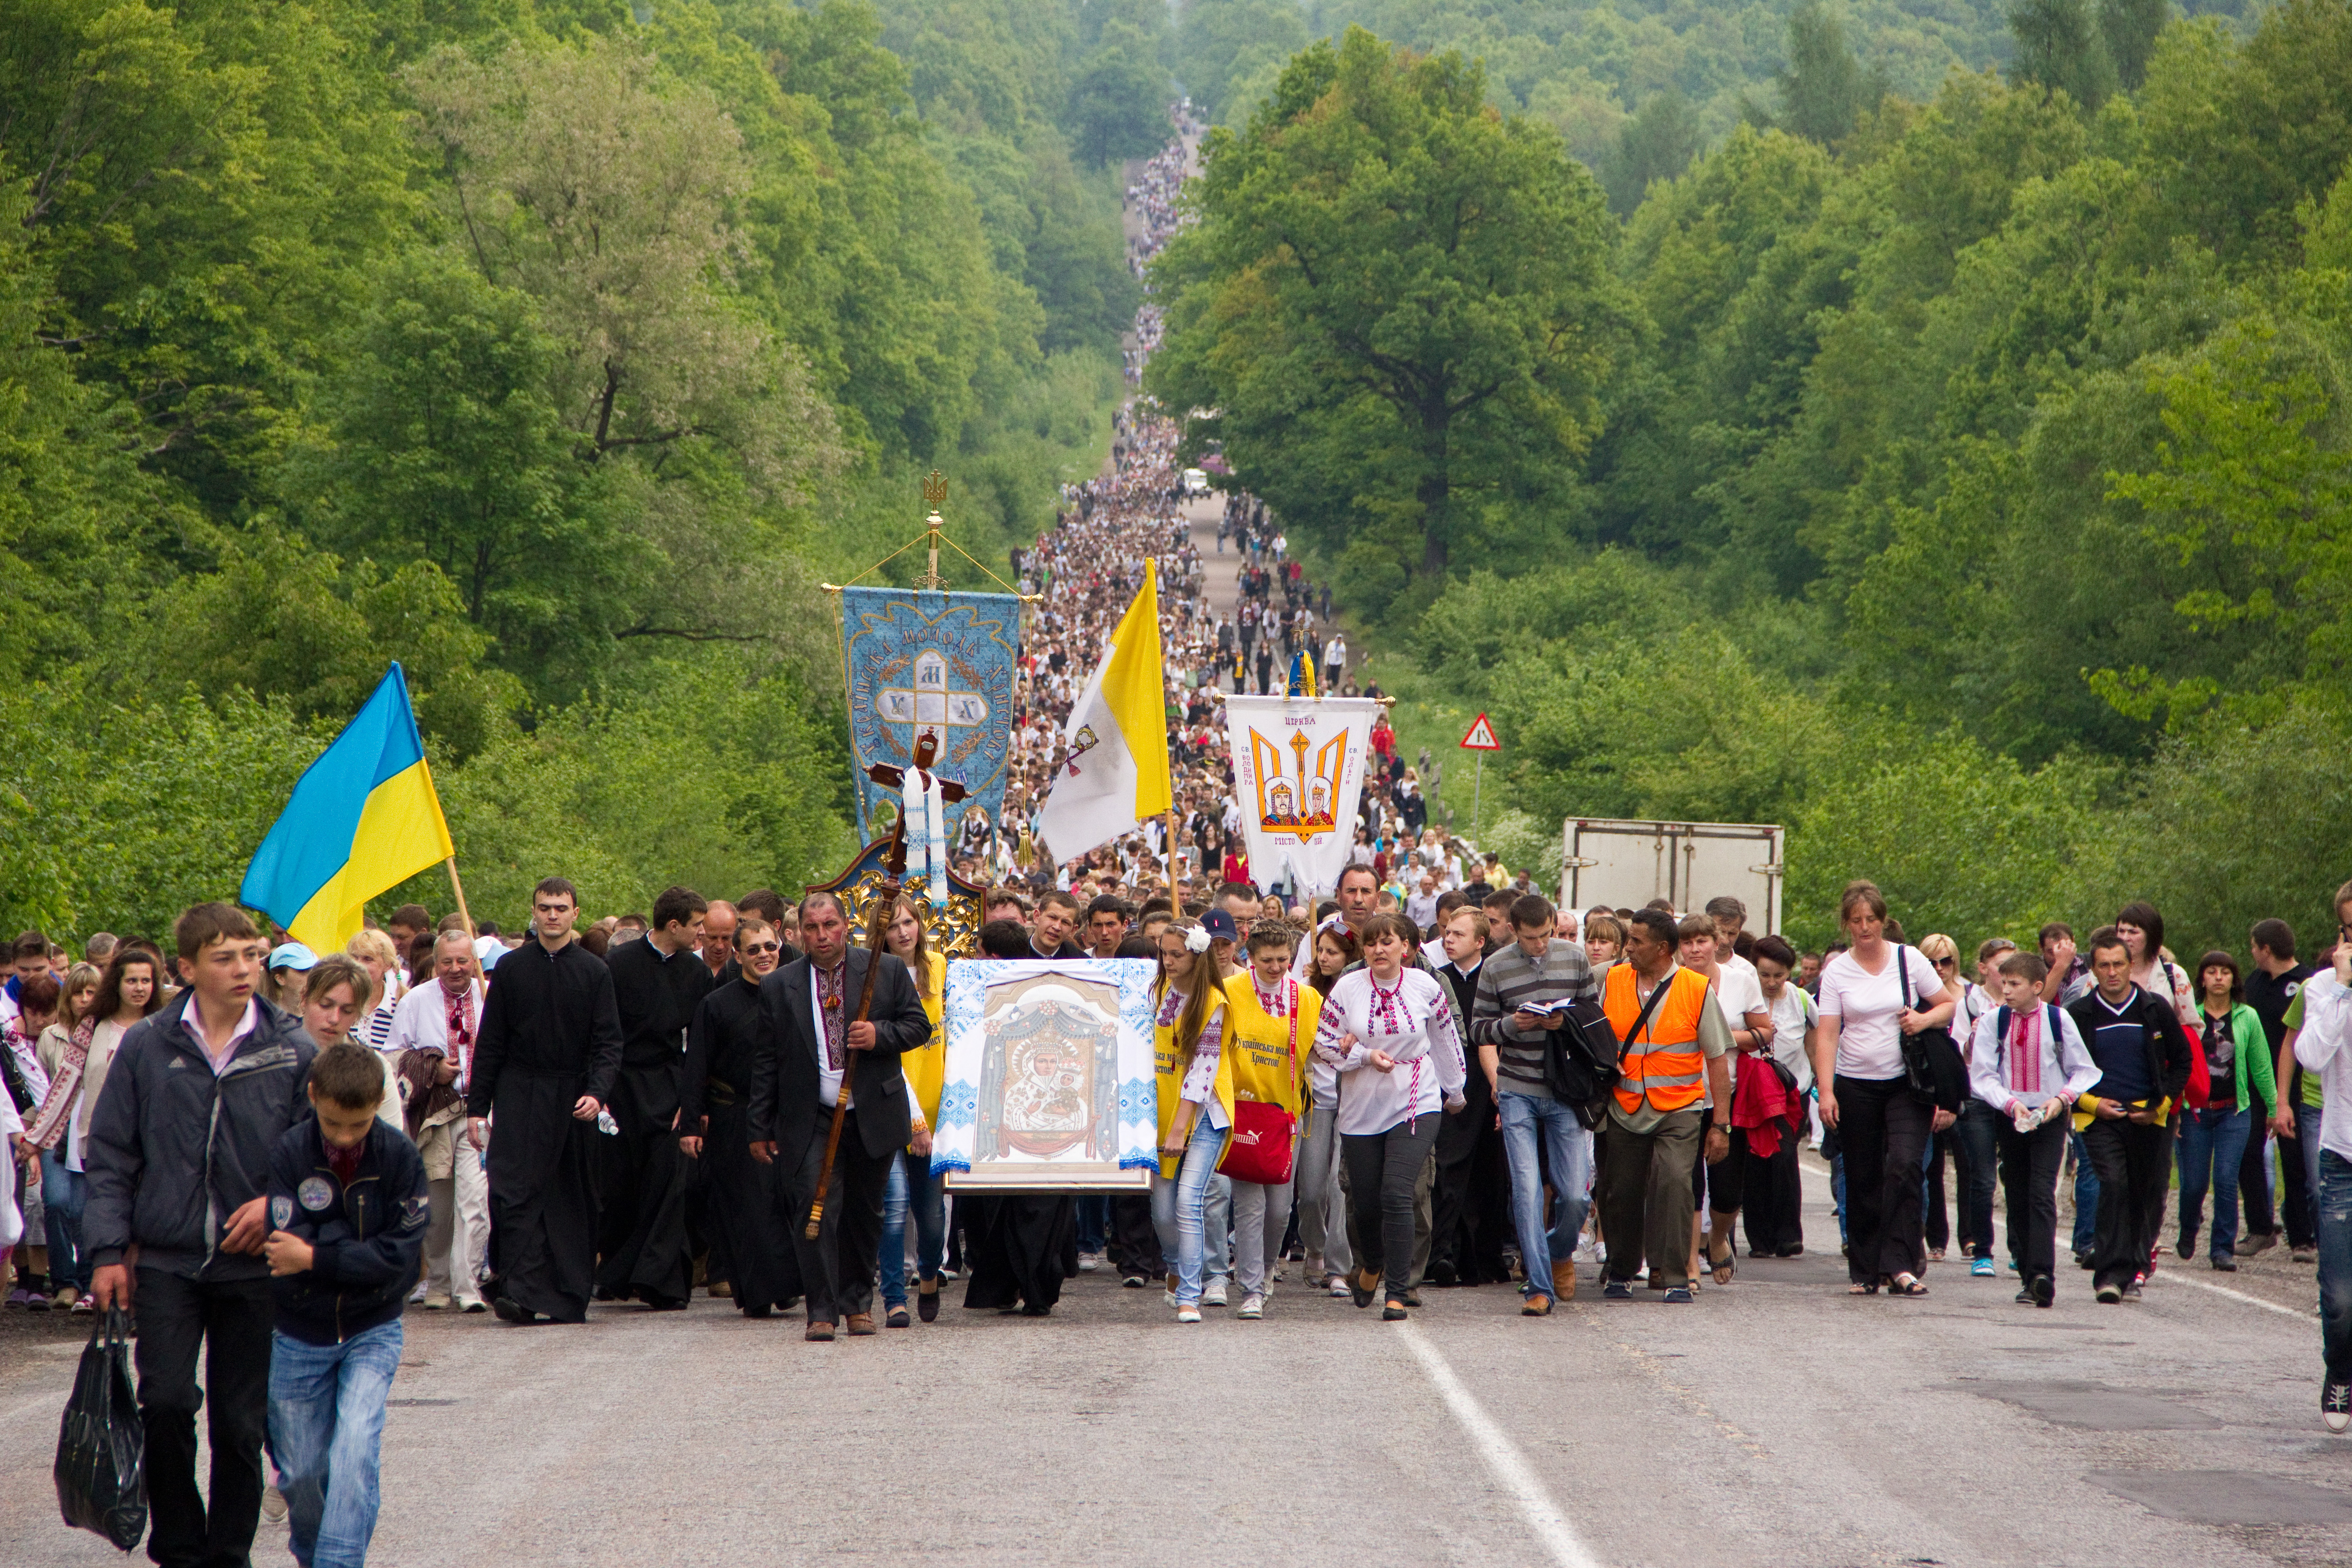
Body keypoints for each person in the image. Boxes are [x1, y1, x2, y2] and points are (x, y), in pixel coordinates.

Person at [83, 902, 318, 1568]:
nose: (245, 968)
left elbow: (318, 1163)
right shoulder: (148, 1046)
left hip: (254, 1266)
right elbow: (111, 1155)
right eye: (225, 958)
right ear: (185, 969)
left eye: (252, 955)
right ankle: (181, 1548)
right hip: (165, 1259)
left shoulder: (290, 1046)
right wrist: (106, 1252)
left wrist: (278, 1205)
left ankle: (228, 1554)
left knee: (241, 1423)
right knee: (165, 1402)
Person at [261, 1041, 429, 1568]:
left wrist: (315, 1255)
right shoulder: (290, 1151)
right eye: (333, 1123)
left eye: (358, 1125)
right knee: (302, 1471)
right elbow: (281, 1243)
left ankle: (339, 1562)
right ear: (313, 1097)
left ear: (380, 1102)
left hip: (372, 1328)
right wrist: (348, 1254)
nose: (344, 1136)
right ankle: (313, 1553)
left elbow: (399, 1260)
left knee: (355, 1450)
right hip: (298, 1331)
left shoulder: (400, 1156)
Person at [747, 891, 931, 1341]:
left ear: (845, 927)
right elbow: (767, 1059)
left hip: (871, 1111)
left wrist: (878, 1034)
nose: (821, 936)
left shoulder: (882, 971)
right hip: (809, 1116)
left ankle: (857, 1304)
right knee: (815, 1207)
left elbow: (918, 1026)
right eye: (812, 929)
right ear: (799, 933)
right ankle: (822, 1310)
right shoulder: (780, 984)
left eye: (829, 926)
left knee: (863, 1213)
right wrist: (759, 1125)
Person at [465, 878, 624, 1326]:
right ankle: (517, 1288)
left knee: (570, 1196)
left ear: (576, 914)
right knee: (513, 1191)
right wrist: (479, 1108)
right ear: (533, 913)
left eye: (560, 908)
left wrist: (597, 1091)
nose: (552, 915)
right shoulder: (512, 969)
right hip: (519, 1093)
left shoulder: (595, 972)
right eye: (544, 908)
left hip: (573, 1096)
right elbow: (491, 1043)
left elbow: (609, 1043)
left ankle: (565, 1293)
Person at [1311, 912, 1468, 1320]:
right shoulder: (1347, 988)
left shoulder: (1425, 986)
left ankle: (1397, 1292)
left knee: (1398, 1192)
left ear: (1407, 948)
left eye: (1387, 942)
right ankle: (1373, 1262)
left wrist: (1456, 1090)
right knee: (1365, 1201)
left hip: (1416, 1098)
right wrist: (1362, 1054)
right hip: (1362, 1106)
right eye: (1371, 944)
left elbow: (1444, 1037)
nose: (1378, 950)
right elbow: (1323, 1043)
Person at [1812, 882, 1957, 1297]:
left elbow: (1947, 1004)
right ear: (1846, 925)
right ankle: (1865, 1268)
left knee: (1907, 1166)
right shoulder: (1837, 971)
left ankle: (1901, 1264)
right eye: (1856, 921)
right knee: (1862, 1176)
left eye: (1871, 920)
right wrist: (1826, 1091)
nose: (1864, 928)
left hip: (1905, 1084)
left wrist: (1923, 1021)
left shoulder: (1908, 959)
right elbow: (1827, 1034)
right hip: (1856, 1083)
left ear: (1883, 920)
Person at [1470, 895, 1597, 1314]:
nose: (1541, 945)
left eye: (1546, 936)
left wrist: (1566, 1021)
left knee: (1575, 1196)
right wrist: (1513, 1024)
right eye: (1531, 939)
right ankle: (1538, 1287)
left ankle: (1558, 1252)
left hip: (1564, 1089)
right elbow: (1478, 1029)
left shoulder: (1575, 959)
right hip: (1516, 1088)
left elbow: (1593, 1015)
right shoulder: (1496, 965)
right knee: (1526, 1191)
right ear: (1513, 931)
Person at [957, 918, 1083, 1314]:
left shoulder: (1070, 971)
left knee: (1045, 1210)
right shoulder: (982, 992)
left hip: (1055, 1139)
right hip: (1008, 1125)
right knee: (1005, 1211)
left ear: (991, 956)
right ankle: (1011, 1285)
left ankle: (1038, 1285)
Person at [597, 885, 713, 1310]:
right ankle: (617, 1273)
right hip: (623, 1086)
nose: (702, 936)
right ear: (674, 925)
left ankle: (658, 1279)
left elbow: (699, 1044)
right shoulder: (618, 965)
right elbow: (604, 1033)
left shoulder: (697, 974)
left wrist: (692, 1098)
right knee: (624, 1185)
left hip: (671, 1087)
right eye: (698, 927)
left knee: (670, 1185)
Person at [681, 915, 801, 1318]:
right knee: (745, 1208)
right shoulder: (717, 1004)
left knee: (784, 1202)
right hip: (734, 1116)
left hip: (788, 1114)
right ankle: (757, 1291)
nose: (763, 956)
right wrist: (690, 1124)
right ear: (737, 955)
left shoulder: (794, 995)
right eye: (753, 950)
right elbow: (697, 1066)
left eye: (770, 948)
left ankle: (788, 1283)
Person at [2066, 930, 2195, 1303]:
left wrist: (2163, 1106)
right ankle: (2109, 1275)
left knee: (2147, 1192)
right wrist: (2094, 1104)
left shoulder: (2154, 1008)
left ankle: (2136, 1268)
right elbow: (2064, 1069)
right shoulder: (2080, 1013)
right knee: (2114, 1185)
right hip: (2099, 1117)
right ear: (2094, 969)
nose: (2112, 973)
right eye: (2104, 965)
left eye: (2118, 964)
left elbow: (2182, 1060)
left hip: (2149, 1117)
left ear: (2131, 966)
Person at [1966, 951, 2099, 1308]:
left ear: (2038, 987)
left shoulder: (2059, 1020)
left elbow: (2084, 1069)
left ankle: (2043, 1275)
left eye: (2015, 984)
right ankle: (2027, 1270)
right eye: (2004, 983)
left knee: (2042, 1191)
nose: (2006, 991)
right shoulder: (1995, 1021)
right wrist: (2009, 1103)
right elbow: (1982, 1074)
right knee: (2018, 1193)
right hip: (2011, 1115)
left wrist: (2061, 1099)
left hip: (2050, 1116)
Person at [1217, 923, 1318, 1319]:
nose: (1276, 968)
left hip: (1284, 1117)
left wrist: (1359, 1053)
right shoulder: (1230, 993)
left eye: (1283, 961)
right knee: (1249, 1205)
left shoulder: (1306, 998)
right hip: (1242, 1113)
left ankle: (1268, 1267)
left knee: (1279, 1209)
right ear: (1250, 958)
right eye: (1266, 961)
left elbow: (1324, 1046)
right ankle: (1250, 1288)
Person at [389, 932, 491, 1311]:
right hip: (434, 1115)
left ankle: (467, 1287)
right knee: (438, 1203)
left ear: (474, 961)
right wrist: (432, 1069)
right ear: (435, 962)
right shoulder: (416, 1000)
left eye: (463, 961)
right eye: (447, 962)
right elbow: (393, 1056)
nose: (455, 969)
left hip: (478, 1113)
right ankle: (438, 1281)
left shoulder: (490, 994)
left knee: (475, 1200)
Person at [2289, 896, 2352, 1431]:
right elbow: (2311, 1056)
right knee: (2340, 1298)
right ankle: (2341, 1369)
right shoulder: (2321, 988)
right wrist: (2342, 989)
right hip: (2343, 1157)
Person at [1151, 918, 1233, 1323]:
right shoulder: (1158, 990)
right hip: (1163, 1108)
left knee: (1188, 1202)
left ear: (1197, 956)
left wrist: (1180, 1128)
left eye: (1176, 955)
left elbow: (1202, 1072)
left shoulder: (1213, 1001)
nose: (1167, 961)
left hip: (1203, 1116)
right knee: (1162, 1211)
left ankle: (1189, 1294)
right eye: (1163, 953)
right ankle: (1174, 1266)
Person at [877, 896, 948, 1326]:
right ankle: (892, 1297)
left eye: (910, 922)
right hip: (892, 1107)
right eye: (893, 926)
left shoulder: (939, 967)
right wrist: (913, 1120)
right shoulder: (875, 976)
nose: (904, 932)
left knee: (933, 1217)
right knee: (894, 1206)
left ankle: (927, 1275)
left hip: (937, 1105)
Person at [2179, 950, 2274, 1271]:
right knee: (2193, 1184)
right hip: (2196, 1112)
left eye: (2226, 972)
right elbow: (2178, 1066)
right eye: (2212, 972)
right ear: (2201, 979)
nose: (2219, 977)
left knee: (2225, 1178)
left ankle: (2222, 1248)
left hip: (2234, 1111)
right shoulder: (2190, 1017)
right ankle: (2189, 1227)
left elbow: (2261, 1067)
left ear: (2235, 979)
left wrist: (2274, 1107)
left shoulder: (2247, 1017)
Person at [1740, 936, 1814, 1258]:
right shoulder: (1744, 999)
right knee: (1755, 1161)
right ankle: (1760, 1238)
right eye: (1765, 974)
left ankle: (1788, 1234)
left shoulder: (1802, 1000)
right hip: (1753, 1094)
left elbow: (1815, 1045)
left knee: (1784, 1158)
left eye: (1779, 975)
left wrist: (1825, 1086)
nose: (1771, 982)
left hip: (1792, 1094)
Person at [2254, 917, 2321, 1264]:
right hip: (2261, 1081)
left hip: (2302, 1085)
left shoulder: (2306, 982)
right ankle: (2265, 1228)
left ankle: (2304, 1236)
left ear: (2267, 949)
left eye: (2254, 947)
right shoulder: (2255, 984)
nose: (2252, 954)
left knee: (2300, 1167)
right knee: (2261, 1158)